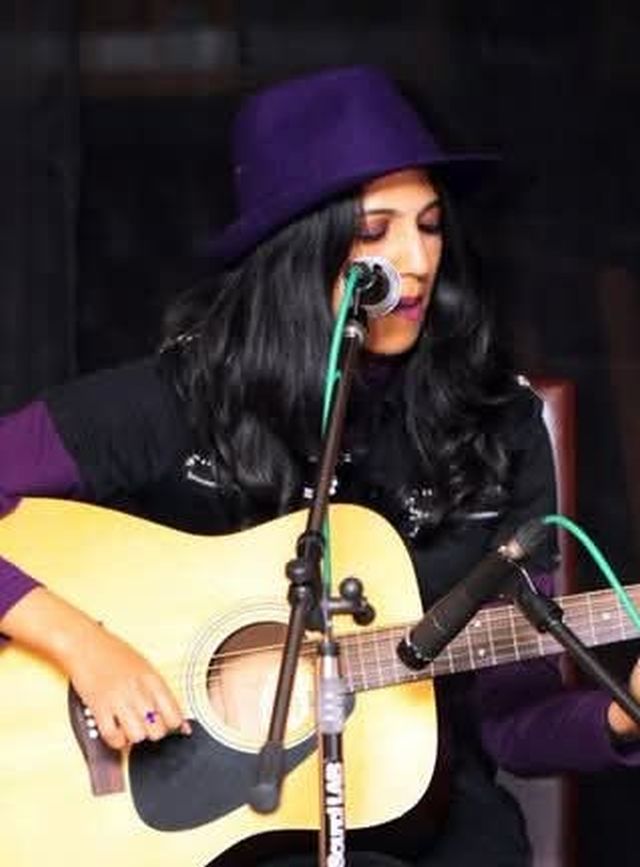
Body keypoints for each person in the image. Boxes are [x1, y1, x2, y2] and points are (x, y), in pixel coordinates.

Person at [1, 64, 639, 867]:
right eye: (375, 231)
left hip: (420, 812)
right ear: (300, 250)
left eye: (431, 225)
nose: (416, 259)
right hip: (218, 821)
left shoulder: (496, 424)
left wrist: (622, 716)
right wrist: (83, 646)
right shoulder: (189, 392)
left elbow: (513, 722)